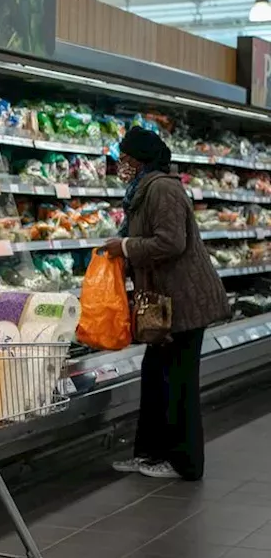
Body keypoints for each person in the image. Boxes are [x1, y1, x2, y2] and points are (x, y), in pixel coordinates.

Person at [104, 126, 229, 481]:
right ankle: (149, 454)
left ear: (141, 160)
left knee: (179, 382)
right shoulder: (142, 189)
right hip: (161, 302)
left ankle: (185, 463)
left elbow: (171, 242)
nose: (121, 165)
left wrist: (125, 247)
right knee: (155, 377)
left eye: (125, 159)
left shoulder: (163, 188)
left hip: (184, 302)